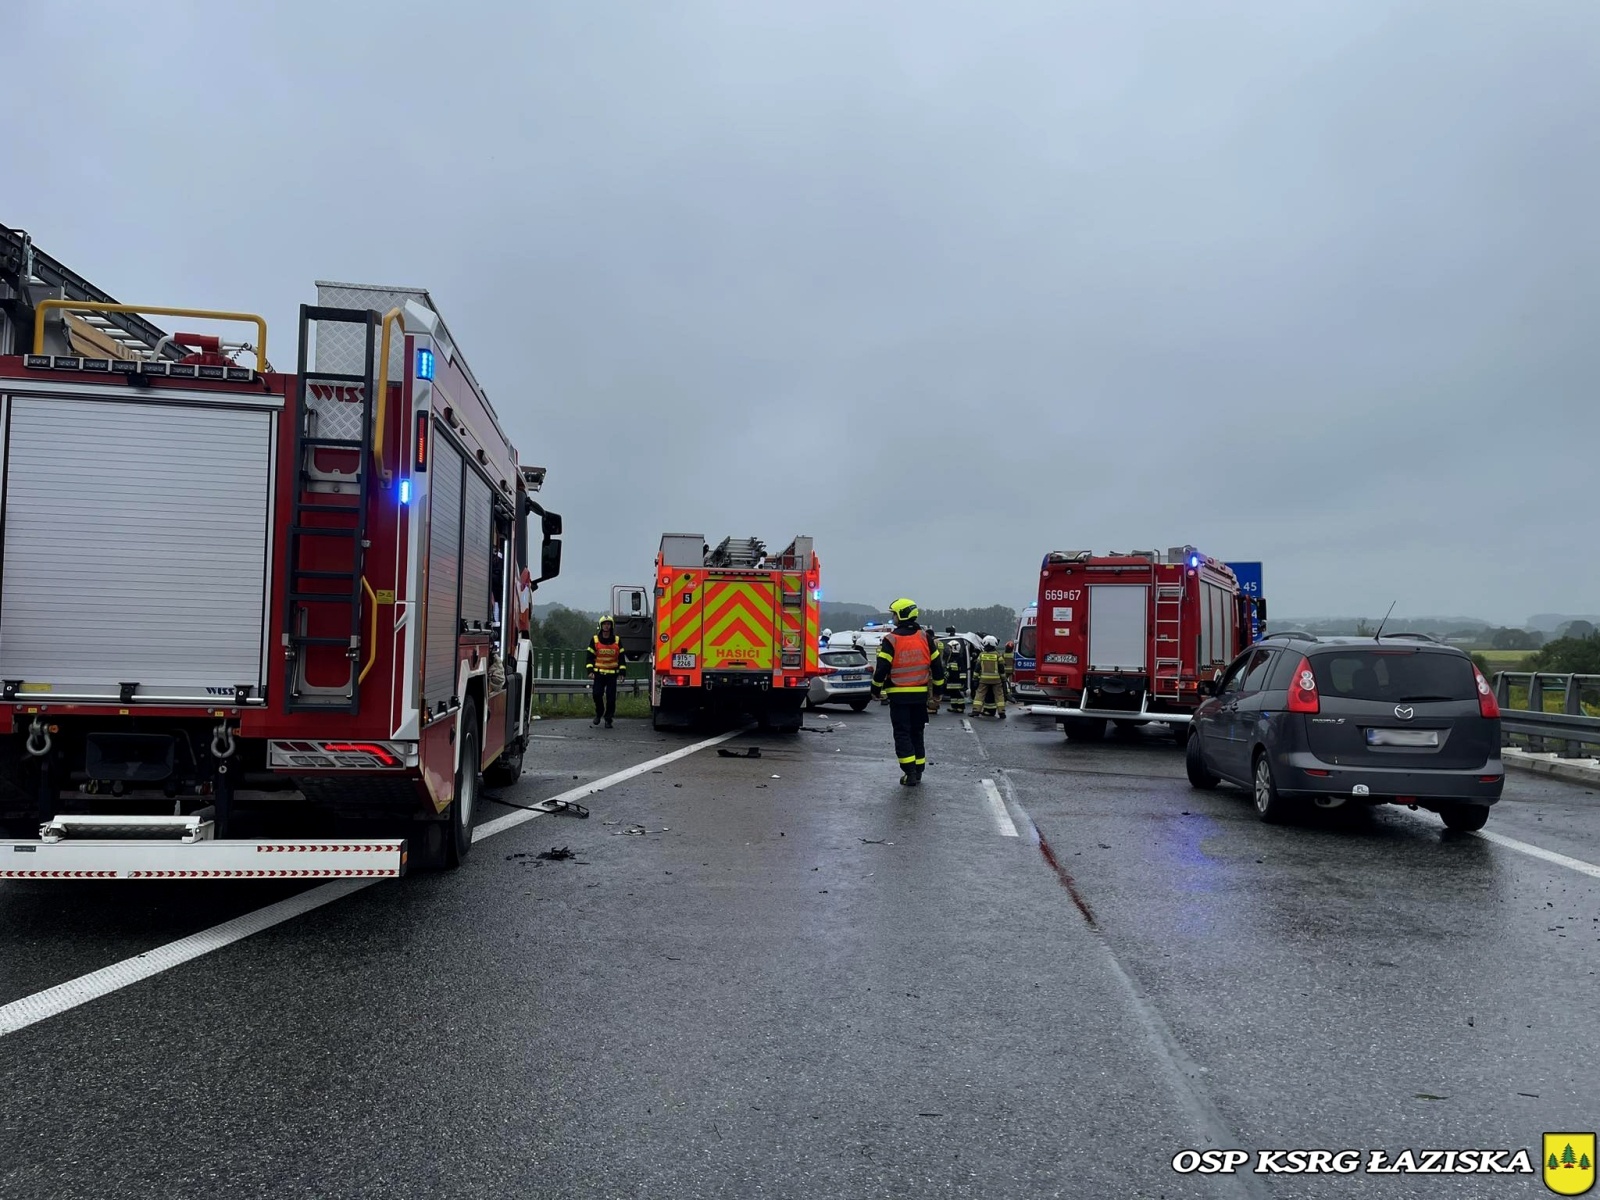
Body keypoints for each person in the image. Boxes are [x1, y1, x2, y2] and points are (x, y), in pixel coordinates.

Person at [869, 598, 945, 786]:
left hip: (899, 696)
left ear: (901, 615)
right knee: (917, 733)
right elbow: (937, 667)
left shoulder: (891, 639)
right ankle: (918, 771)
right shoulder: (925, 637)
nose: (893, 618)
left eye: (894, 614)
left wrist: (875, 689)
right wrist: (938, 692)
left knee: (902, 733)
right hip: (920, 696)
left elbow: (882, 668)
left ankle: (909, 773)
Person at [586, 616, 627, 728]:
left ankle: (608, 719)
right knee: (596, 694)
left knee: (611, 698)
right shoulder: (595, 640)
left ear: (611, 626)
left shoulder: (617, 640)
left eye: (608, 624)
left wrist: (622, 673)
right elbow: (589, 657)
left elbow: (621, 658)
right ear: (600, 626)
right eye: (604, 624)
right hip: (599, 674)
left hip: (612, 674)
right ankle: (599, 712)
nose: (606, 626)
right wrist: (590, 671)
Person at [972, 635, 1010, 719]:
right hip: (996, 680)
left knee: (980, 694)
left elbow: (977, 668)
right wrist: (1003, 679)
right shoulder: (998, 655)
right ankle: (1002, 713)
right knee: (999, 695)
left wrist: (975, 679)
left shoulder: (981, 655)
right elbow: (1001, 669)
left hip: (984, 680)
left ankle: (976, 711)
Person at [941, 628, 972, 715]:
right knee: (953, 694)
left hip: (957, 681)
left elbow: (962, 670)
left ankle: (960, 707)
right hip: (951, 681)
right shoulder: (951, 658)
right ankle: (954, 706)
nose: (949, 649)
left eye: (950, 648)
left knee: (958, 694)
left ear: (954, 648)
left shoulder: (959, 658)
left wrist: (963, 681)